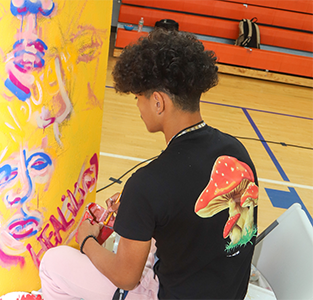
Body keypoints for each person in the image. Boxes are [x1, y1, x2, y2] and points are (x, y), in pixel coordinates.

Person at [39, 29, 258, 300]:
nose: (138, 107)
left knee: (53, 262)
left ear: (158, 102)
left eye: (138, 97)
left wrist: (86, 242)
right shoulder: (236, 151)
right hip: (229, 292)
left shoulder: (148, 183)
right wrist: (137, 215)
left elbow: (125, 277)